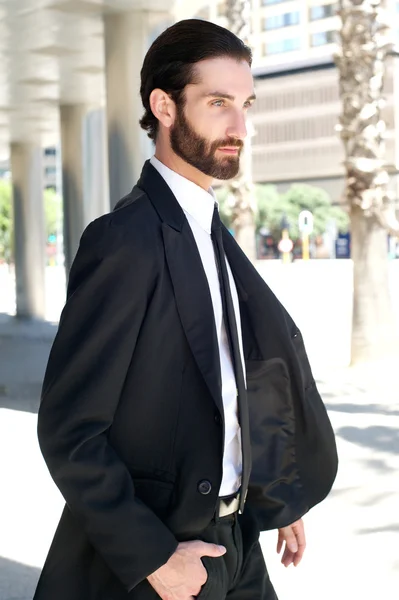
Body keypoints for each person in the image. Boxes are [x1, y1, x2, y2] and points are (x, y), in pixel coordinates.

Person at [33, 19, 338, 600]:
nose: (239, 126)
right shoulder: (123, 240)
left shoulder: (212, 232)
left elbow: (232, 381)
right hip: (164, 555)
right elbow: (70, 431)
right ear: (164, 106)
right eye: (218, 102)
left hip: (237, 539)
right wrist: (153, 558)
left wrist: (268, 491)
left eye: (245, 104)